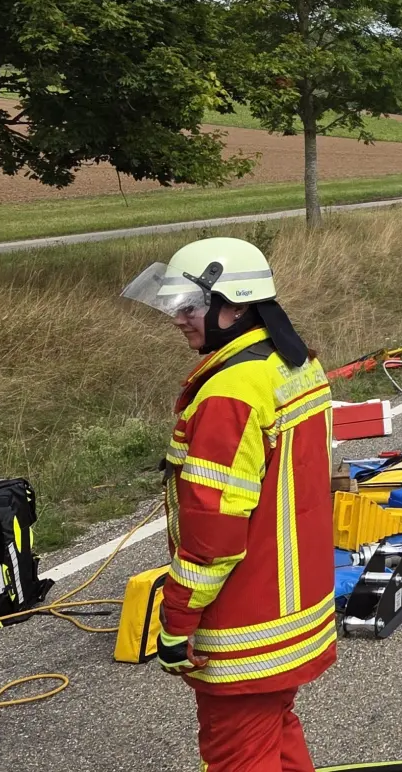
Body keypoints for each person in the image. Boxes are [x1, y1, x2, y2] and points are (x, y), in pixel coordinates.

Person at [119, 237, 335, 772]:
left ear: (234, 306)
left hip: (244, 624)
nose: (178, 319)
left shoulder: (229, 394)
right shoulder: (294, 363)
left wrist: (176, 622)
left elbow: (212, 535)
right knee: (276, 734)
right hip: (295, 611)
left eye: (189, 306)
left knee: (239, 754)